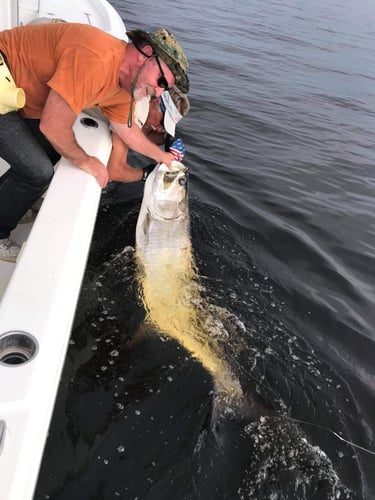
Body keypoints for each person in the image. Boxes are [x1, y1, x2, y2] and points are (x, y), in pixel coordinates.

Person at [0, 24, 189, 262]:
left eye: (165, 88)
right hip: (2, 83)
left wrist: (161, 157)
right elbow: (53, 125)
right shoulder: (97, 57)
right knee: (37, 171)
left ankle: (13, 202)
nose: (159, 92)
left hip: (16, 94)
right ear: (145, 53)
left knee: (49, 153)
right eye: (161, 81)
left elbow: (126, 129)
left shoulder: (126, 87)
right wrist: (85, 160)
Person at [107, 85, 190, 183]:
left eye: (165, 127)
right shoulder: (139, 110)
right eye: (162, 122)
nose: (160, 129)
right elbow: (114, 172)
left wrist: (168, 138)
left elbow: (142, 134)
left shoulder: (143, 95)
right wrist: (147, 174)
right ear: (155, 102)